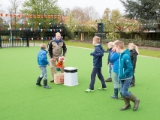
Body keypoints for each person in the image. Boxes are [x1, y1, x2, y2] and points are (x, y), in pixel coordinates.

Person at [114, 41, 140, 111]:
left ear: (118, 47)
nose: (115, 49)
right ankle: (127, 104)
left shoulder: (125, 56)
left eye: (115, 47)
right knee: (122, 91)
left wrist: (123, 74)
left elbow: (130, 68)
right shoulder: (121, 55)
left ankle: (136, 100)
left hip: (127, 77)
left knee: (124, 91)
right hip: (122, 77)